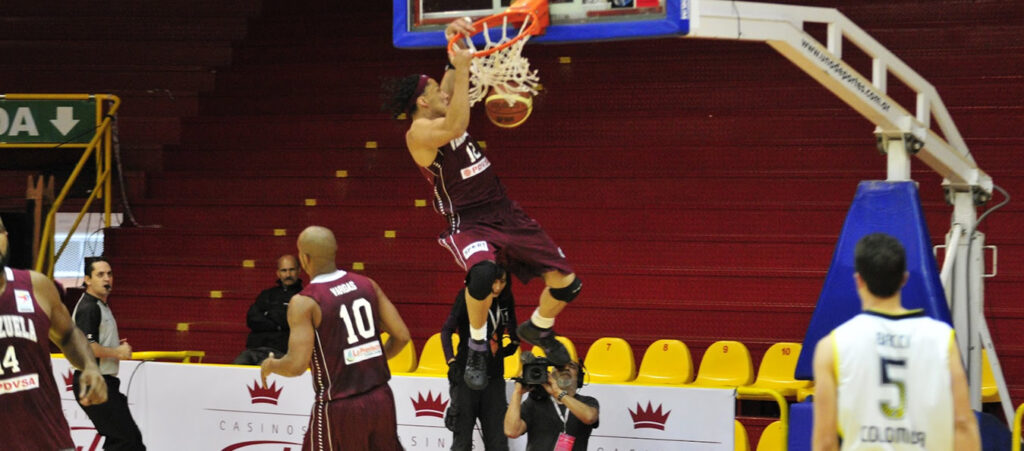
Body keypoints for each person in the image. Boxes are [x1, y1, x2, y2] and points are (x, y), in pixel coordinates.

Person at [385, 17, 582, 391]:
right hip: (469, 220)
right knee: (482, 274)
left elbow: (448, 80)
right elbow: (457, 125)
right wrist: (462, 72)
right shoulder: (420, 132)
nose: (444, 92)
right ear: (423, 102)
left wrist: (454, 42)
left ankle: (538, 328)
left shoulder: (438, 107)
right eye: (435, 90)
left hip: (503, 209)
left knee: (568, 285)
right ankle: (476, 342)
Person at [811, 233, 981, 451]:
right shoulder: (942, 338)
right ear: (904, 278)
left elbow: (825, 442)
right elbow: (963, 423)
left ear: (858, 280)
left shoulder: (831, 346)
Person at [260, 225, 411, 451]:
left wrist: (271, 364)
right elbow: (402, 336)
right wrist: (367, 360)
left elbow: (296, 366)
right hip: (381, 399)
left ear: (304, 258)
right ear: (335, 250)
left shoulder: (305, 302)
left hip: (340, 406)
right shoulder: (367, 284)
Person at [0, 216, 108, 451]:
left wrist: (89, 366)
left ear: (6, 236)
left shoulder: (35, 286)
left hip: (50, 442)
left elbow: (68, 334)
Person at [71, 257, 146, 450]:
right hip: (94, 381)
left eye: (109, 274)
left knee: (127, 439)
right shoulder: (89, 308)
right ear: (87, 279)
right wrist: (117, 352)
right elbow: (86, 346)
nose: (107, 279)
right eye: (100, 274)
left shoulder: (100, 305)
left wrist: (113, 346)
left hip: (104, 381)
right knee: (125, 440)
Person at [441, 271, 520, 451]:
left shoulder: (506, 299)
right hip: (466, 378)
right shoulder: (467, 296)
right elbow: (446, 331)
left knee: (498, 443)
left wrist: (514, 342)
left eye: (503, 282)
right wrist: (451, 361)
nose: (498, 287)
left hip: (494, 380)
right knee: (462, 443)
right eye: (494, 282)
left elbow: (512, 327)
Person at [503, 359, 599, 451]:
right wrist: (517, 393)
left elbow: (589, 417)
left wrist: (558, 393)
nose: (566, 369)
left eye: (571, 366)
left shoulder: (587, 401)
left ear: (579, 377)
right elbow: (511, 431)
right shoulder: (535, 402)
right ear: (551, 375)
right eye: (560, 367)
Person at [233, 255, 303, 365]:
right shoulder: (266, 294)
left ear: (299, 271)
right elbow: (251, 319)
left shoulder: (305, 296)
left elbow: (292, 321)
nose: (288, 275)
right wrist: (278, 325)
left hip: (282, 352)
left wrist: (268, 314)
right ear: (278, 273)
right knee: (236, 369)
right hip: (254, 349)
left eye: (291, 270)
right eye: (284, 270)